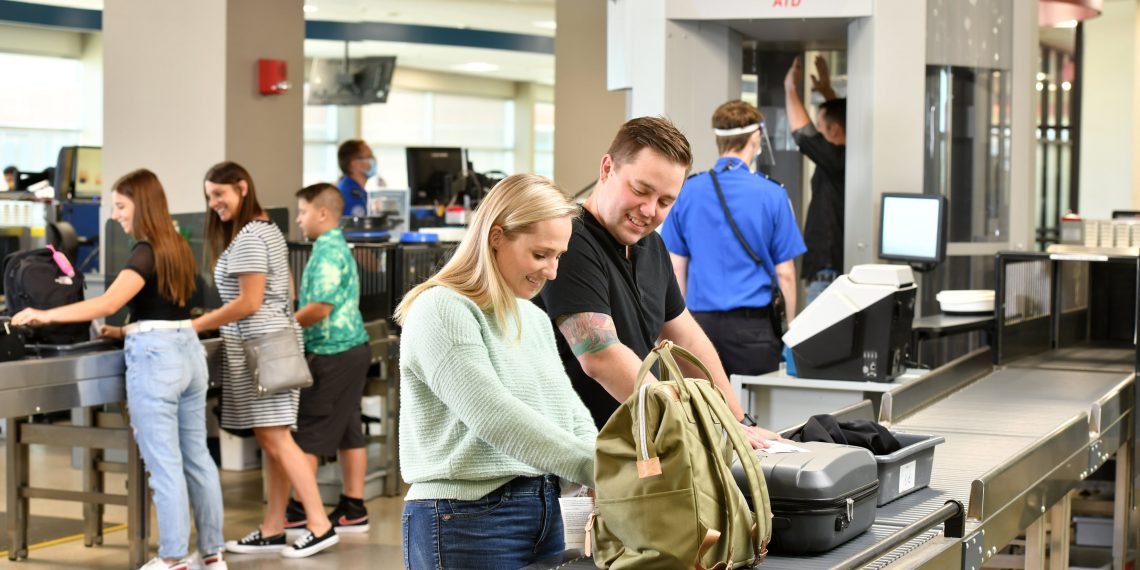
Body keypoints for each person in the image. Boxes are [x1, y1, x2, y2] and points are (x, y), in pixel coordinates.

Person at [12, 169, 227, 570]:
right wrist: (125, 329)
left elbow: (106, 303)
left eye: (122, 206)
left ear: (142, 206)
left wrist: (44, 314)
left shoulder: (144, 251)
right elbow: (166, 309)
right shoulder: (178, 245)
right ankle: (211, 556)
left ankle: (174, 558)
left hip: (157, 361)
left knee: (164, 465)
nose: (115, 215)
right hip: (187, 352)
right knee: (197, 459)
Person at [535, 116, 779, 447]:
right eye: (640, 191)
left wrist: (735, 420)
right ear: (607, 168)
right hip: (578, 460)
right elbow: (599, 355)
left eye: (665, 201)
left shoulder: (651, 247)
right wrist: (693, 429)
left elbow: (688, 341)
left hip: (638, 450)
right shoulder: (570, 242)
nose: (649, 210)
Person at [395, 173, 597, 569]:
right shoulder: (441, 309)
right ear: (496, 236)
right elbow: (493, 415)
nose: (552, 271)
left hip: (545, 509)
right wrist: (597, 466)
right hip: (466, 516)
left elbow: (568, 411)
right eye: (541, 255)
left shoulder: (533, 318)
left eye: (559, 256)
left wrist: (600, 461)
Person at [191, 161, 338, 559]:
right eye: (209, 196)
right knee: (271, 437)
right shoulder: (266, 230)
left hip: (263, 347)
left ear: (242, 187)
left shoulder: (253, 236)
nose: (214, 203)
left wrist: (197, 325)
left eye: (219, 194)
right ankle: (273, 528)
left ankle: (320, 524)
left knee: (275, 437)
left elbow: (249, 301)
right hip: (266, 343)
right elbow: (285, 293)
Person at [661, 100, 806, 377]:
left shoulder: (687, 192)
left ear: (718, 139)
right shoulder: (773, 194)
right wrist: (791, 326)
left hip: (697, 326)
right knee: (751, 412)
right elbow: (785, 273)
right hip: (754, 331)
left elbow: (676, 267)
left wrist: (677, 327)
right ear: (755, 138)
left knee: (701, 412)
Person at [283, 183, 372, 535]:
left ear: (322, 213)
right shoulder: (337, 247)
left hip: (333, 352)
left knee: (309, 434)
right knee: (349, 429)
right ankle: (353, 507)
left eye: (302, 213)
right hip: (351, 349)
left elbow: (320, 307)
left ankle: (301, 509)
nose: (299, 221)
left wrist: (284, 327)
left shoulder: (326, 252)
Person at [785, 55, 847, 305]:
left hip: (828, 280)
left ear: (833, 130)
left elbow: (804, 136)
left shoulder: (839, 160)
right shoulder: (841, 160)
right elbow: (841, 118)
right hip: (827, 277)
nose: (818, 130)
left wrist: (790, 88)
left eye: (821, 125)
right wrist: (828, 93)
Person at [336, 139, 383, 217]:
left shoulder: (357, 190)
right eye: (369, 157)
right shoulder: (350, 195)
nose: (373, 160)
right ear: (354, 164)